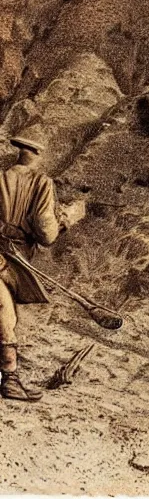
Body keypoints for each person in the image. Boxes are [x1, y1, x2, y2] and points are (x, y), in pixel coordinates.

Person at [0, 136, 61, 402]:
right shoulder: (41, 183)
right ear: (37, 154)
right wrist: (63, 222)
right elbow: (46, 231)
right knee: (5, 315)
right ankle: (10, 379)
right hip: (11, 259)